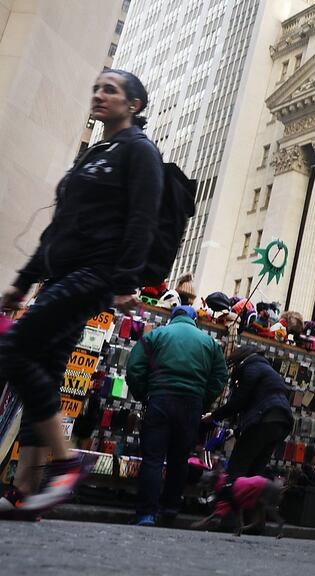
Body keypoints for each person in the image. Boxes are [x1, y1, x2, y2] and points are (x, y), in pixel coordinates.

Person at [0, 69, 163, 520]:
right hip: (60, 276)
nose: (98, 94)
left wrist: (126, 280)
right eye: (95, 87)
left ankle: (66, 464)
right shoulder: (95, 153)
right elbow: (58, 226)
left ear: (134, 104)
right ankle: (25, 490)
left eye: (110, 89)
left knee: (12, 349)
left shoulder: (139, 152)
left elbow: (143, 220)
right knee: (45, 372)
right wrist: (24, 280)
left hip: (95, 274)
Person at [126, 305, 228, 526]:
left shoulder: (156, 335)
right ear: (194, 321)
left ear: (172, 318)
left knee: (153, 459)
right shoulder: (209, 342)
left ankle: (146, 514)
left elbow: (134, 368)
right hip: (191, 404)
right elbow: (220, 376)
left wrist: (144, 394)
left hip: (160, 399)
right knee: (179, 460)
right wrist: (203, 400)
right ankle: (170, 510)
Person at [204, 344, 293, 530]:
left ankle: (229, 522)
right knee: (255, 476)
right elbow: (258, 401)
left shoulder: (251, 367)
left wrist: (214, 416)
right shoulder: (268, 369)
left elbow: (240, 401)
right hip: (280, 423)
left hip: (264, 421)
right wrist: (236, 431)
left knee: (236, 474)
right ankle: (256, 525)